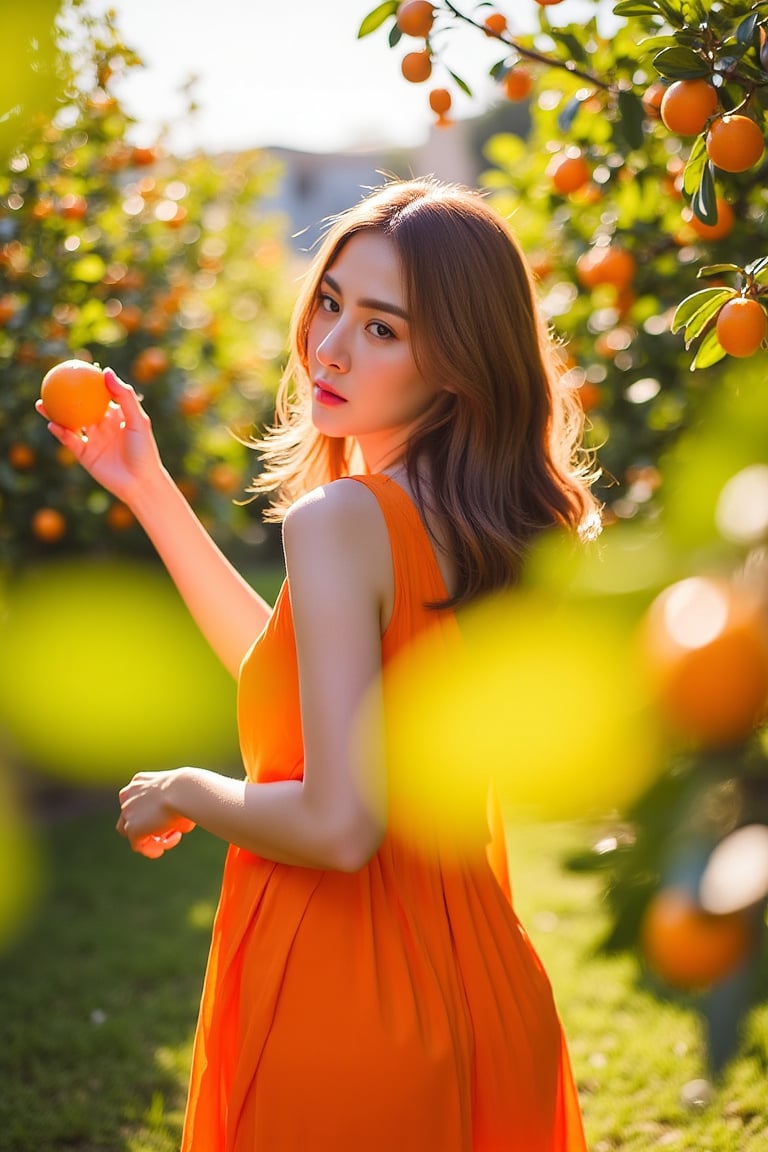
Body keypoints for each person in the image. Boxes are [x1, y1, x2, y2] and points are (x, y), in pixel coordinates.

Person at [39, 177, 600, 1151]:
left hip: (353, 1008)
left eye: (384, 328)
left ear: (459, 360)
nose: (330, 348)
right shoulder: (462, 521)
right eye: (332, 303)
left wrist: (184, 790)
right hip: (485, 988)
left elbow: (340, 825)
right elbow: (291, 680)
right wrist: (151, 490)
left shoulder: (345, 519)